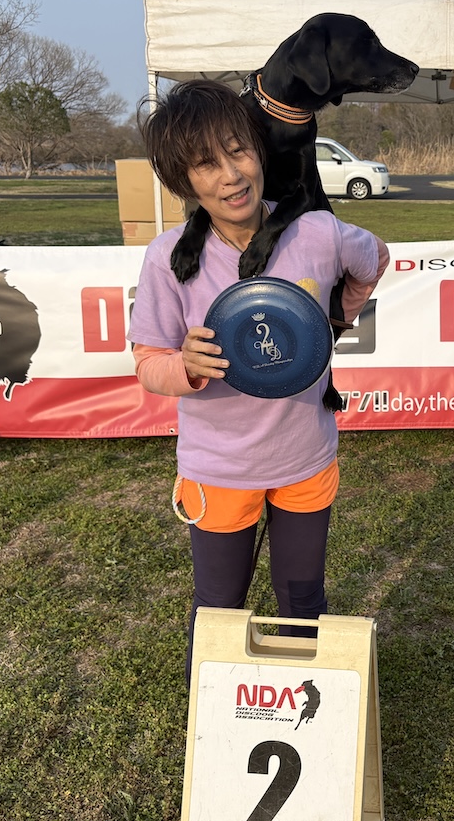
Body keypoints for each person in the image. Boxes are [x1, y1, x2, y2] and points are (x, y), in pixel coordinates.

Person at [128, 79, 389, 682]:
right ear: (183, 181)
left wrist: (334, 321)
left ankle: (304, 705)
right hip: (219, 467)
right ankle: (216, 716)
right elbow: (148, 363)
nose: (231, 175)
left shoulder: (315, 232)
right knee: (219, 609)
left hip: (304, 457)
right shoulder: (170, 257)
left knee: (303, 601)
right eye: (205, 164)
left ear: (259, 150)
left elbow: (373, 257)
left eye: (238, 150)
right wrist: (185, 366)